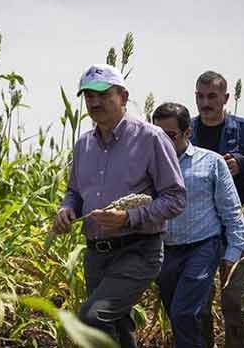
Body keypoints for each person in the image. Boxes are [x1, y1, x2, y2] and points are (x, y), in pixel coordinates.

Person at [53, 64, 187, 347]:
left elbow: (176, 198)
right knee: (117, 325)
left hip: (138, 250)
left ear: (124, 97)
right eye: (88, 96)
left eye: (103, 94)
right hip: (96, 256)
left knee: (93, 318)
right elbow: (74, 191)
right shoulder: (83, 145)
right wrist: (67, 209)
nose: (94, 102)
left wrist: (128, 218)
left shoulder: (151, 138)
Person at [152, 102, 244, 348]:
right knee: (181, 314)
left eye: (170, 135)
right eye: (157, 135)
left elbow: (231, 210)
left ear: (187, 132)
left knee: (183, 312)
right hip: (165, 251)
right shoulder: (149, 166)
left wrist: (234, 252)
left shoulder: (212, 163)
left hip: (202, 247)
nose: (163, 142)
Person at [190, 71, 244, 348]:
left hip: (238, 231)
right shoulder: (187, 131)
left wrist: (243, 163)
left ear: (226, 98)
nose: (205, 102)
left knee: (235, 302)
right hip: (198, 232)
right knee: (198, 304)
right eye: (200, 96)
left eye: (212, 96)